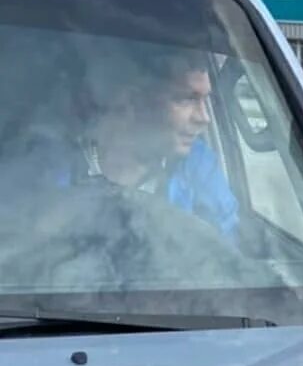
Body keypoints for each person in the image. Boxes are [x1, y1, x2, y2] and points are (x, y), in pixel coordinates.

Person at [3, 46, 238, 240]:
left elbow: (230, 253)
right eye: (185, 99)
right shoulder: (48, 165)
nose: (204, 118)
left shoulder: (198, 165)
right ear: (133, 101)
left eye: (206, 100)